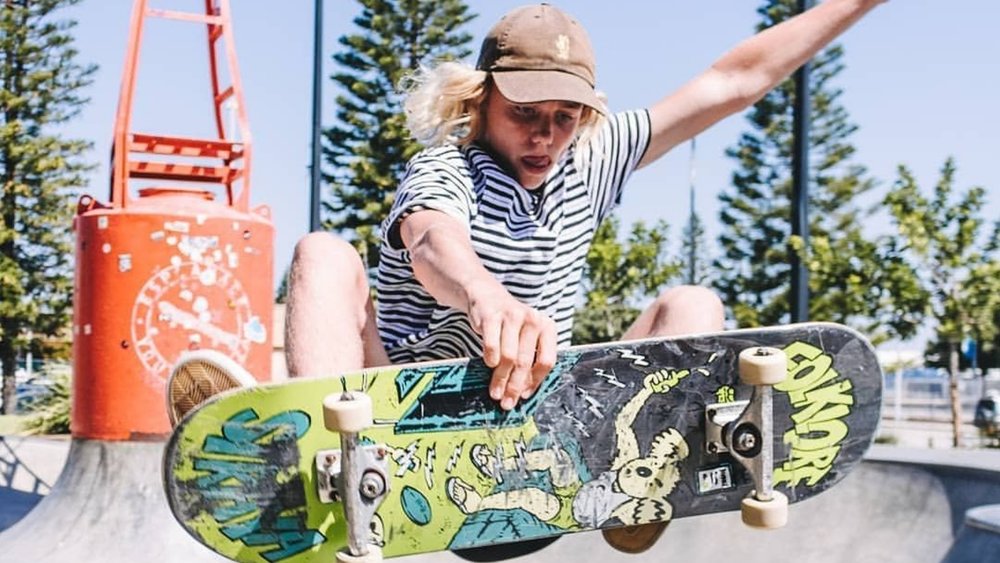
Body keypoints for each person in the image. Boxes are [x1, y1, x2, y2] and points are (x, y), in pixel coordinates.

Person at [168, 0, 887, 553]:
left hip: (544, 428)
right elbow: (429, 239)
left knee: (693, 303)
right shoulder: (446, 169)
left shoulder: (593, 158)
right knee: (325, 251)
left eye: (564, 117)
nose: (544, 135)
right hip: (403, 424)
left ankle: (641, 480)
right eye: (524, 115)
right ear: (480, 102)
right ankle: (319, 454)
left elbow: (737, 78)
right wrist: (485, 294)